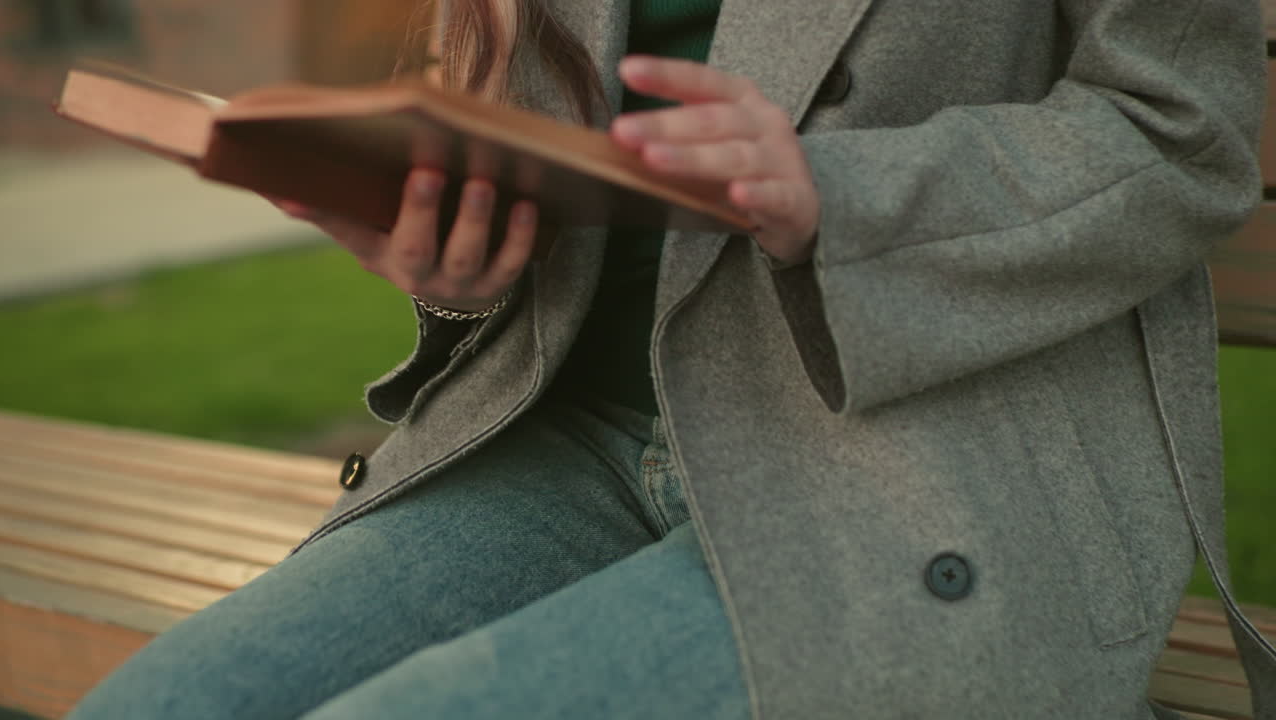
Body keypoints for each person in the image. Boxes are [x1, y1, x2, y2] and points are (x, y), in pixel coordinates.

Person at [69, 0, 1276, 718]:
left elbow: (1179, 128)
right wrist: (456, 266)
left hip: (916, 468)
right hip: (572, 441)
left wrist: (837, 199)